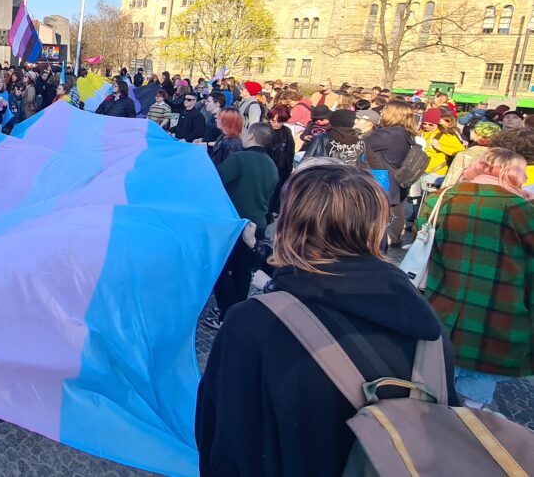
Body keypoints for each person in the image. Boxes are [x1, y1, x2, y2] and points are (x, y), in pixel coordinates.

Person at [196, 160, 458, 476]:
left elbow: (224, 444)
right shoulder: (427, 325)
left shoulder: (254, 324)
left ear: (291, 224)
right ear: (375, 228)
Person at [426, 148, 534, 409]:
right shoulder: (521, 210)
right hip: (499, 313)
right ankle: (468, 426)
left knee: (434, 386)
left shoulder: (441, 198)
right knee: (475, 400)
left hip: (442, 305)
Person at [205, 122, 280, 328]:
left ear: (251, 136)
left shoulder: (240, 159)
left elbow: (215, 179)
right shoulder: (271, 165)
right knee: (242, 270)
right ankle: (236, 312)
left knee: (219, 269)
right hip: (258, 224)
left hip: (235, 224)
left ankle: (227, 315)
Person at [363, 101, 420, 248]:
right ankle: (395, 238)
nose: (382, 112)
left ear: (393, 114)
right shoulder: (404, 132)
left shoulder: (389, 134)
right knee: (397, 208)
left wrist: (366, 130)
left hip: (385, 178)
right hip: (398, 177)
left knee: (382, 213)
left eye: (385, 110)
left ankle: (387, 240)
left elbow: (363, 143)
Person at [444, 121, 501, 188]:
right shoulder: (502, 156)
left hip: (466, 190)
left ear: (479, 136)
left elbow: (452, 178)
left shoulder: (465, 155)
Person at [302, 109, 366, 165]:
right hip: (350, 174)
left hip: (326, 173)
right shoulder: (360, 141)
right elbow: (362, 162)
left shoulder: (322, 138)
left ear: (333, 121)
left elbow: (306, 161)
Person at [265, 105, 295, 217]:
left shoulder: (286, 131)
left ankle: (274, 209)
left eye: (280, 122)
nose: (276, 124)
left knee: (278, 190)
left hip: (282, 168)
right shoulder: (264, 129)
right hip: (266, 168)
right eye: (273, 121)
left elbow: (290, 150)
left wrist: (289, 167)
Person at [421, 107, 466, 182]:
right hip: (420, 170)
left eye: (431, 125)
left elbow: (461, 151)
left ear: (437, 124)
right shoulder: (422, 132)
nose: (426, 126)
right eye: (424, 124)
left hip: (435, 172)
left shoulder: (444, 135)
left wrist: (440, 147)